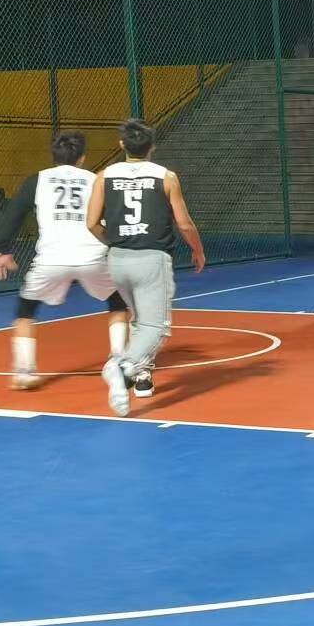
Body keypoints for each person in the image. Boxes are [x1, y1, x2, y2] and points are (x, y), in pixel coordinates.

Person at [0, 131, 130, 391]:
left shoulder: (37, 181)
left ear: (53, 156)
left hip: (51, 258)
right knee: (118, 302)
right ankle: (119, 360)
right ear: (82, 158)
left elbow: (12, 215)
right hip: (92, 255)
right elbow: (115, 216)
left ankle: (24, 372)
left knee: (25, 310)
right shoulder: (96, 180)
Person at [87, 119, 206, 417]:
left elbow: (91, 223)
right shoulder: (166, 177)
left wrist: (114, 241)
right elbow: (183, 223)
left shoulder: (104, 176)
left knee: (140, 321)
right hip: (152, 258)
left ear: (122, 145)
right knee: (156, 327)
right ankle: (122, 367)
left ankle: (139, 377)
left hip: (117, 259)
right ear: (152, 146)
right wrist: (197, 249)